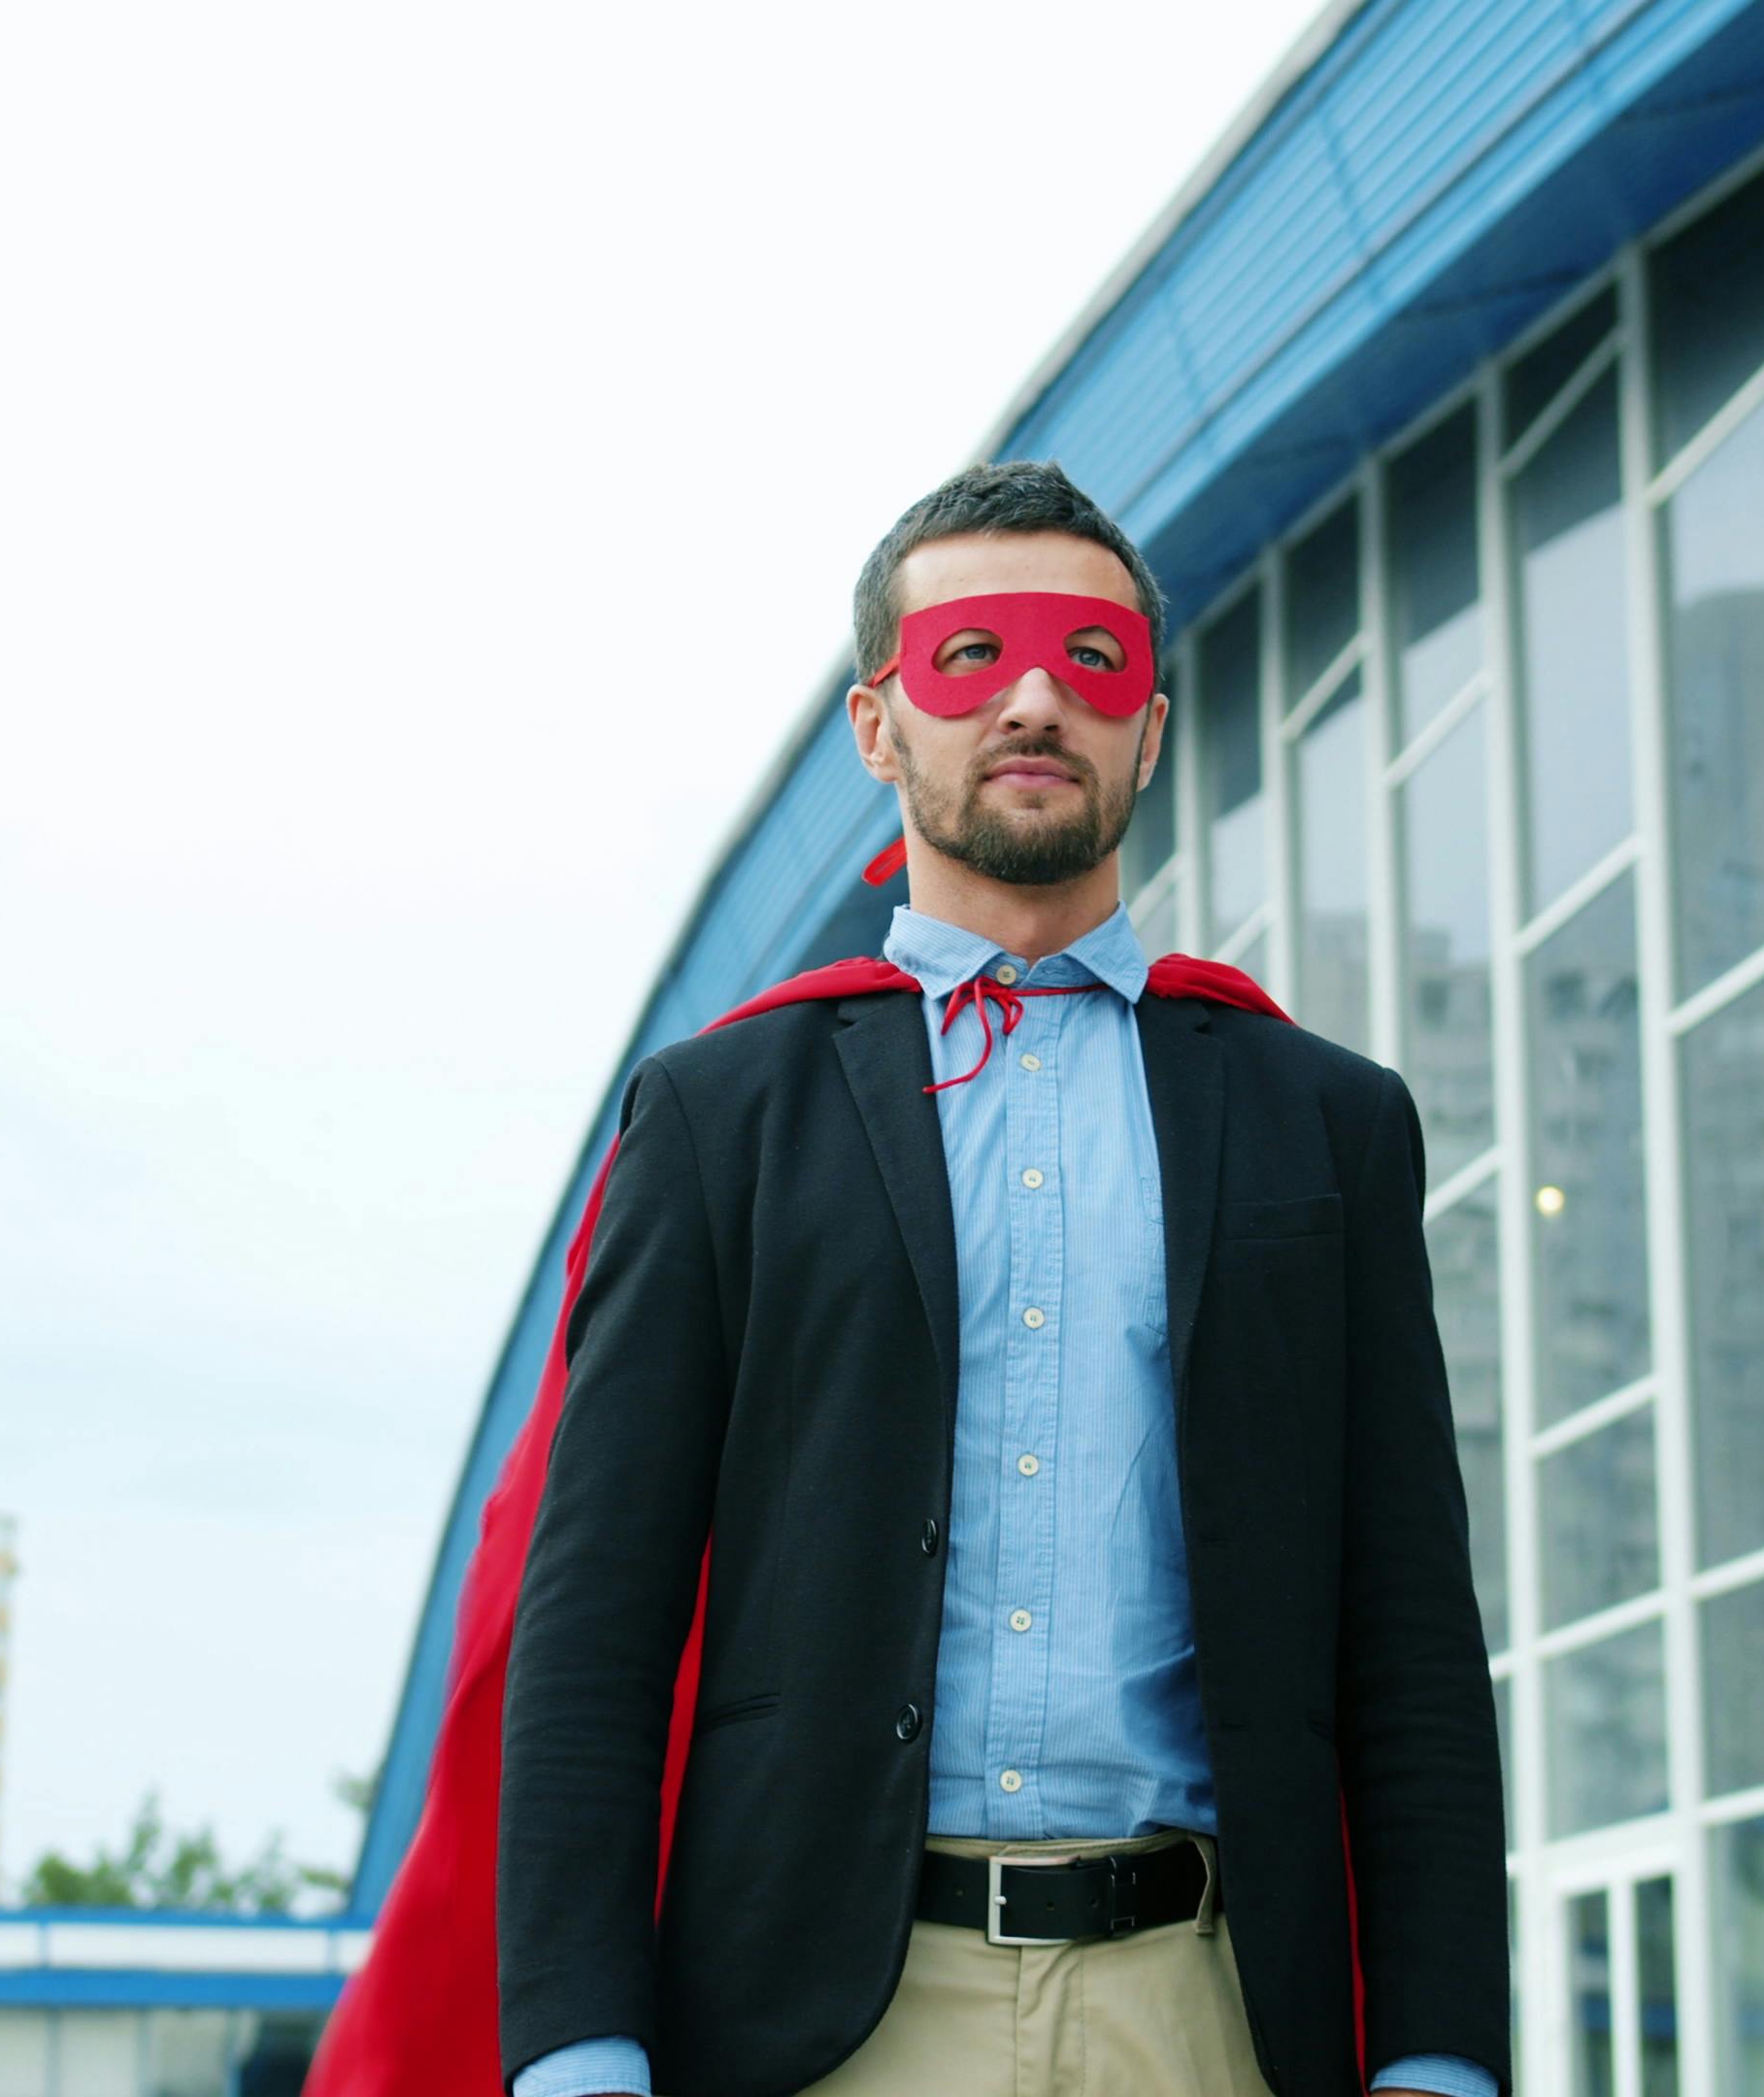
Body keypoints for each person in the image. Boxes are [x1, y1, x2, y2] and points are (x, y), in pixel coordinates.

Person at [491, 460, 1512, 2097]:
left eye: (1088, 661)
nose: (1035, 698)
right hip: (825, 2026)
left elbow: (1409, 1642)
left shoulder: (1329, 1121)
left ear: (1151, 729)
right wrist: (579, 2050)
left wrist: (1444, 2054)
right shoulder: (718, 1118)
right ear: (879, 729)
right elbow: (596, 1629)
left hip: (1211, 2018)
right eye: (973, 656)